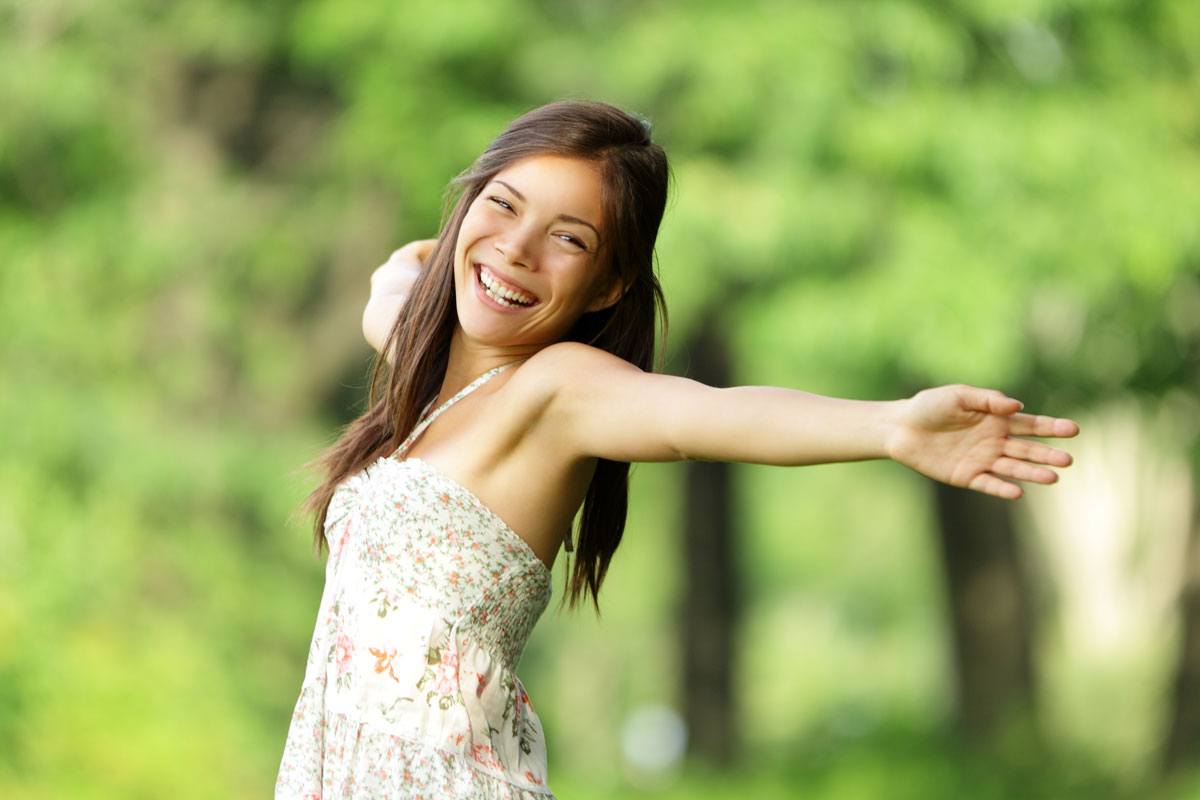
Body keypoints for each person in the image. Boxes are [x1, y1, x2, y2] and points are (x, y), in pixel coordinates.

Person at [275, 100, 1080, 798]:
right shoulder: (430, 383)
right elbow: (390, 301)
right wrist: (414, 260)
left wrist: (890, 425)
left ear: (611, 284)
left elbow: (705, 415)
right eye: (503, 205)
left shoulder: (556, 392)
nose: (518, 250)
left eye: (569, 238)